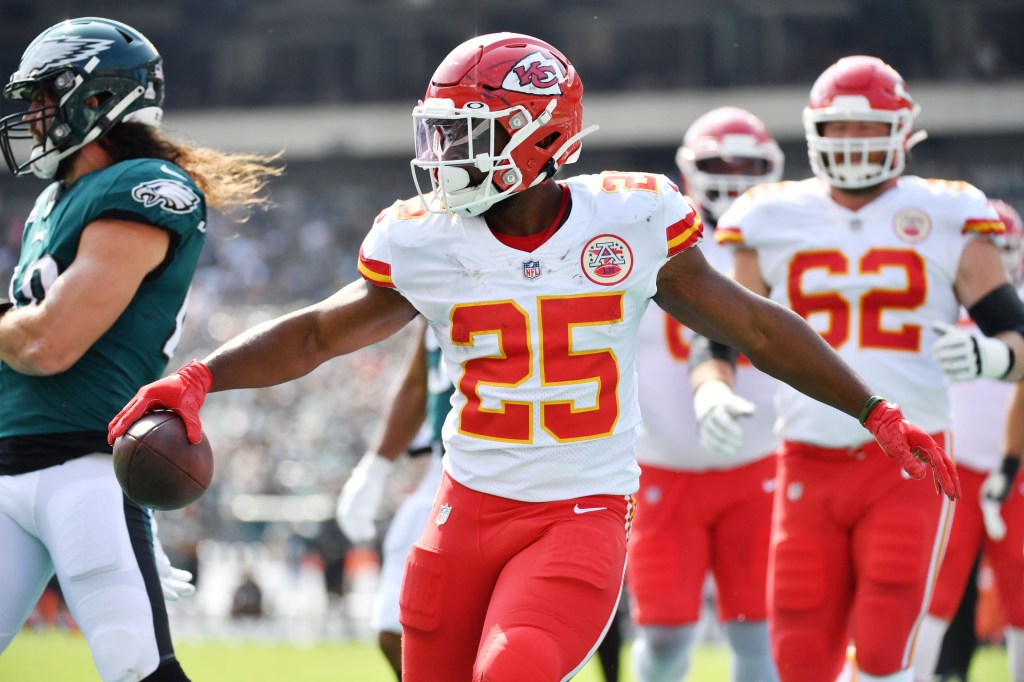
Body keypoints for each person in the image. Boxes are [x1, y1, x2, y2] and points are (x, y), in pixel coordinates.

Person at [108, 35, 958, 682]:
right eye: (441, 132)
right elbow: (319, 333)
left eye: (467, 133)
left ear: (542, 135)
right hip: (464, 511)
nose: (445, 155)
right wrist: (201, 377)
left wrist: (872, 410)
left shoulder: (629, 220)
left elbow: (757, 327)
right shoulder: (426, 238)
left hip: (577, 513)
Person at [689, 55, 1024, 682]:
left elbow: (1018, 334)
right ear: (814, 131)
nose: (852, 140)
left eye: (866, 126)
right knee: (798, 657)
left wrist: (994, 356)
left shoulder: (950, 212)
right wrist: (712, 390)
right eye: (839, 127)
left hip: (911, 461)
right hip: (806, 459)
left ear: (902, 133)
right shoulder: (769, 215)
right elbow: (719, 338)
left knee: (882, 657)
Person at [0, 17, 281, 682]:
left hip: (85, 471)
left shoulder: (146, 186)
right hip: (10, 466)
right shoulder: (54, 199)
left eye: (45, 97)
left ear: (98, 99)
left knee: (138, 672)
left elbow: (50, 343)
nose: (32, 115)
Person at [626, 107, 783, 682]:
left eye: (746, 166)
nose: (733, 177)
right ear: (690, 170)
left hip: (758, 459)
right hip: (663, 465)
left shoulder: (782, 242)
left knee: (758, 632)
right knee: (664, 636)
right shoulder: (647, 239)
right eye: (720, 164)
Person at [914, 198, 1024, 682]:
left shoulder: (1012, 310)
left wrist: (1011, 463)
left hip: (1013, 470)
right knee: (931, 594)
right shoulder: (938, 297)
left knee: (1020, 594)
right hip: (949, 466)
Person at [336, 316, 453, 678]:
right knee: (396, 628)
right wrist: (375, 467)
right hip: (445, 467)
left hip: (514, 468)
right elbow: (417, 383)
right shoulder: (440, 293)